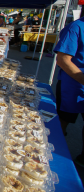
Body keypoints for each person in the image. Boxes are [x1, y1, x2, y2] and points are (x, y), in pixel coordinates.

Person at [54, 16, 84, 166]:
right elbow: (63, 59)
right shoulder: (76, 28)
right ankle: (53, 153)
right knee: (62, 123)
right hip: (72, 86)